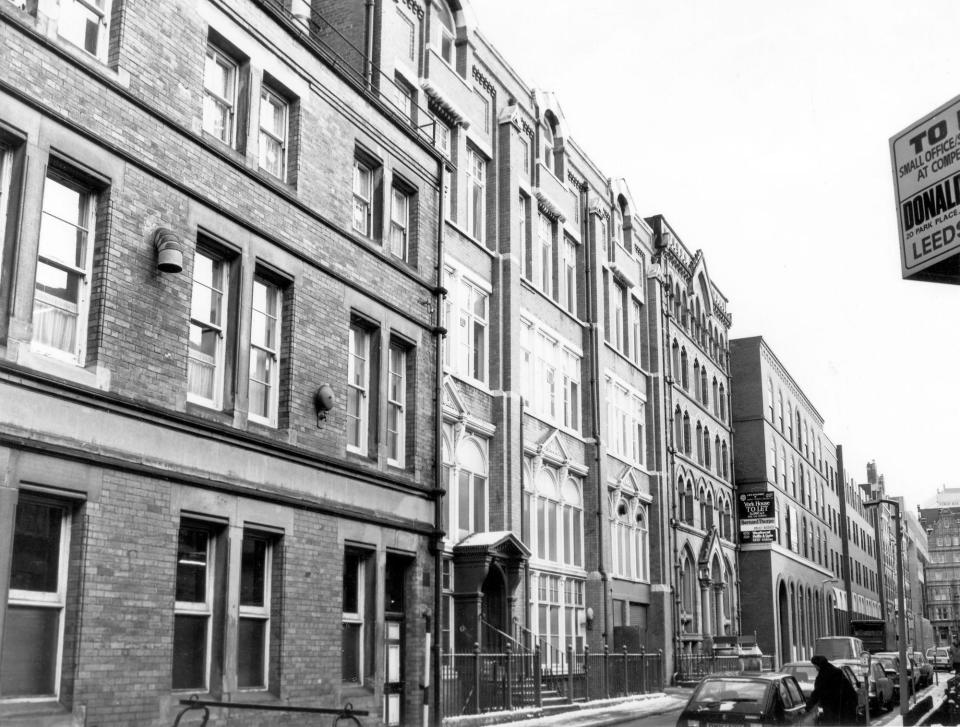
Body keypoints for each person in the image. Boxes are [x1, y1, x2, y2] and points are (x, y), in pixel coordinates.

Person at [805, 655, 859, 726]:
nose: (815, 668)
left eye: (815, 666)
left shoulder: (823, 676)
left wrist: (808, 707)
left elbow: (817, 693)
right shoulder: (837, 672)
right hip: (846, 707)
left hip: (833, 709)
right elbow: (849, 689)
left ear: (819, 665)